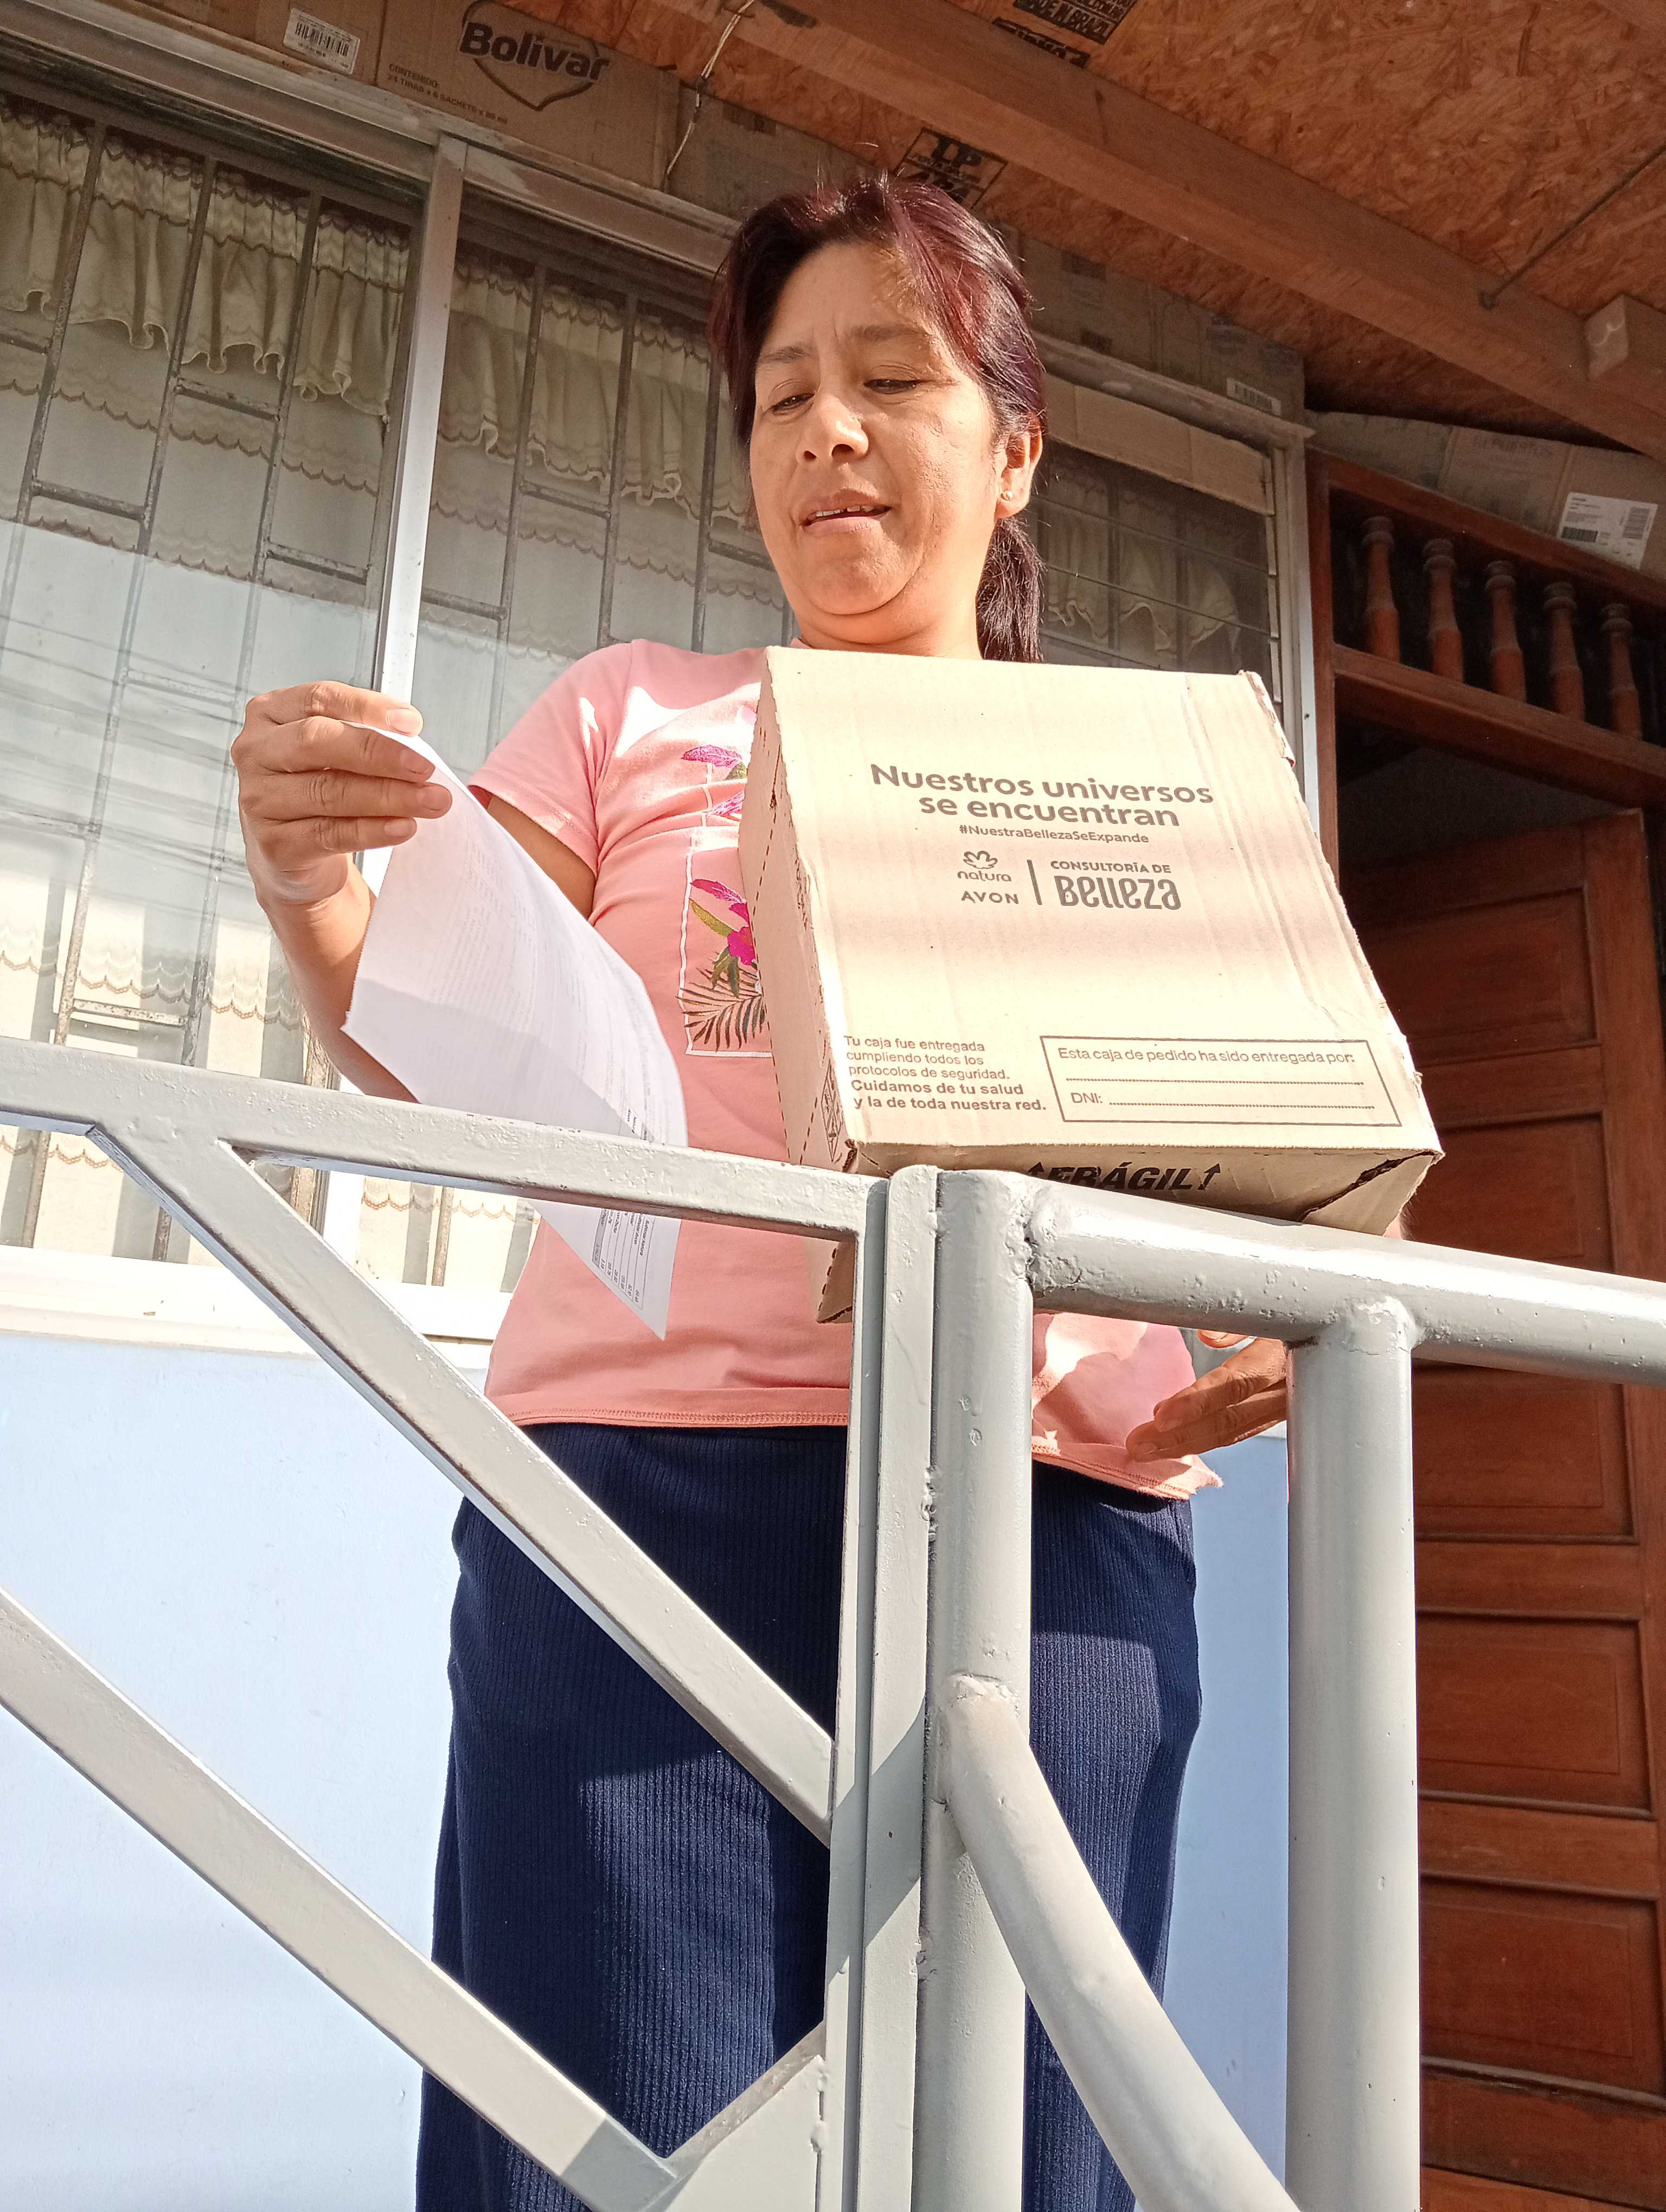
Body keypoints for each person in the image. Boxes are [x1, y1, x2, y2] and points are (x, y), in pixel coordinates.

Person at [230, 177, 1290, 2212]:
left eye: (893, 378)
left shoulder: (1148, 772)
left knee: (1025, 2138)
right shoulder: (634, 709)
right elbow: (424, 1025)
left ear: (1018, 445)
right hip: (643, 1498)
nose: (827, 431)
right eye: (784, 392)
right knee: (617, 2129)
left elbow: (1277, 1144)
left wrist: (1275, 1345)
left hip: (1056, 1516)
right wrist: (308, 874)